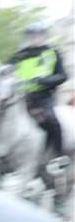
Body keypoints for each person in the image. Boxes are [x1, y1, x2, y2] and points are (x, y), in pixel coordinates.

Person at [11, 22, 67, 156]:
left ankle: (58, 156)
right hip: (21, 97)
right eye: (32, 36)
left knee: (53, 122)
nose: (36, 38)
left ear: (44, 36)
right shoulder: (20, 55)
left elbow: (63, 75)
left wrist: (43, 81)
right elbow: (8, 72)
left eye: (39, 35)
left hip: (44, 96)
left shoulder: (53, 52)